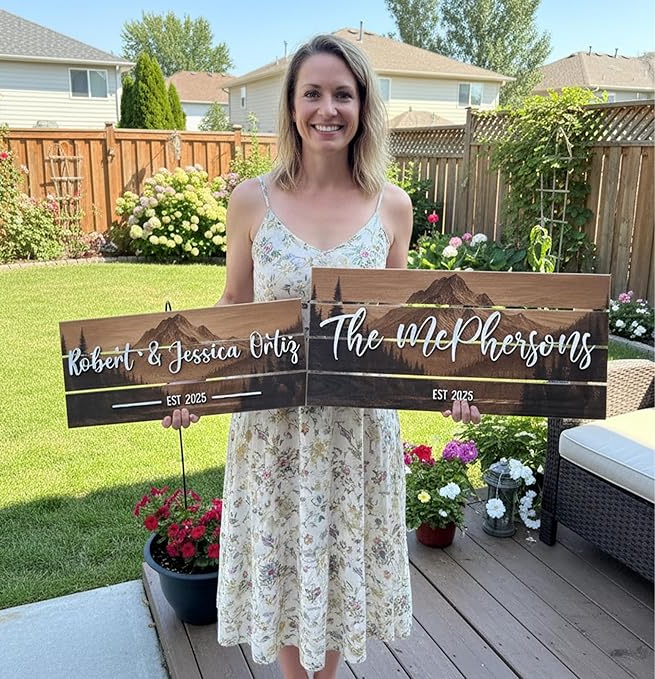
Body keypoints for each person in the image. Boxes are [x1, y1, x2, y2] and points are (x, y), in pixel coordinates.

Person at [163, 34, 480, 679]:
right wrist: (191, 382)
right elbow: (234, 302)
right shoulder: (252, 200)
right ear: (291, 105)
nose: (327, 109)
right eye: (312, 93)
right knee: (284, 562)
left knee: (338, 569)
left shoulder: (392, 206)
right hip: (274, 428)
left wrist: (453, 385)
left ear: (363, 106)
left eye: (343, 94)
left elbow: (402, 324)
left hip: (356, 433)